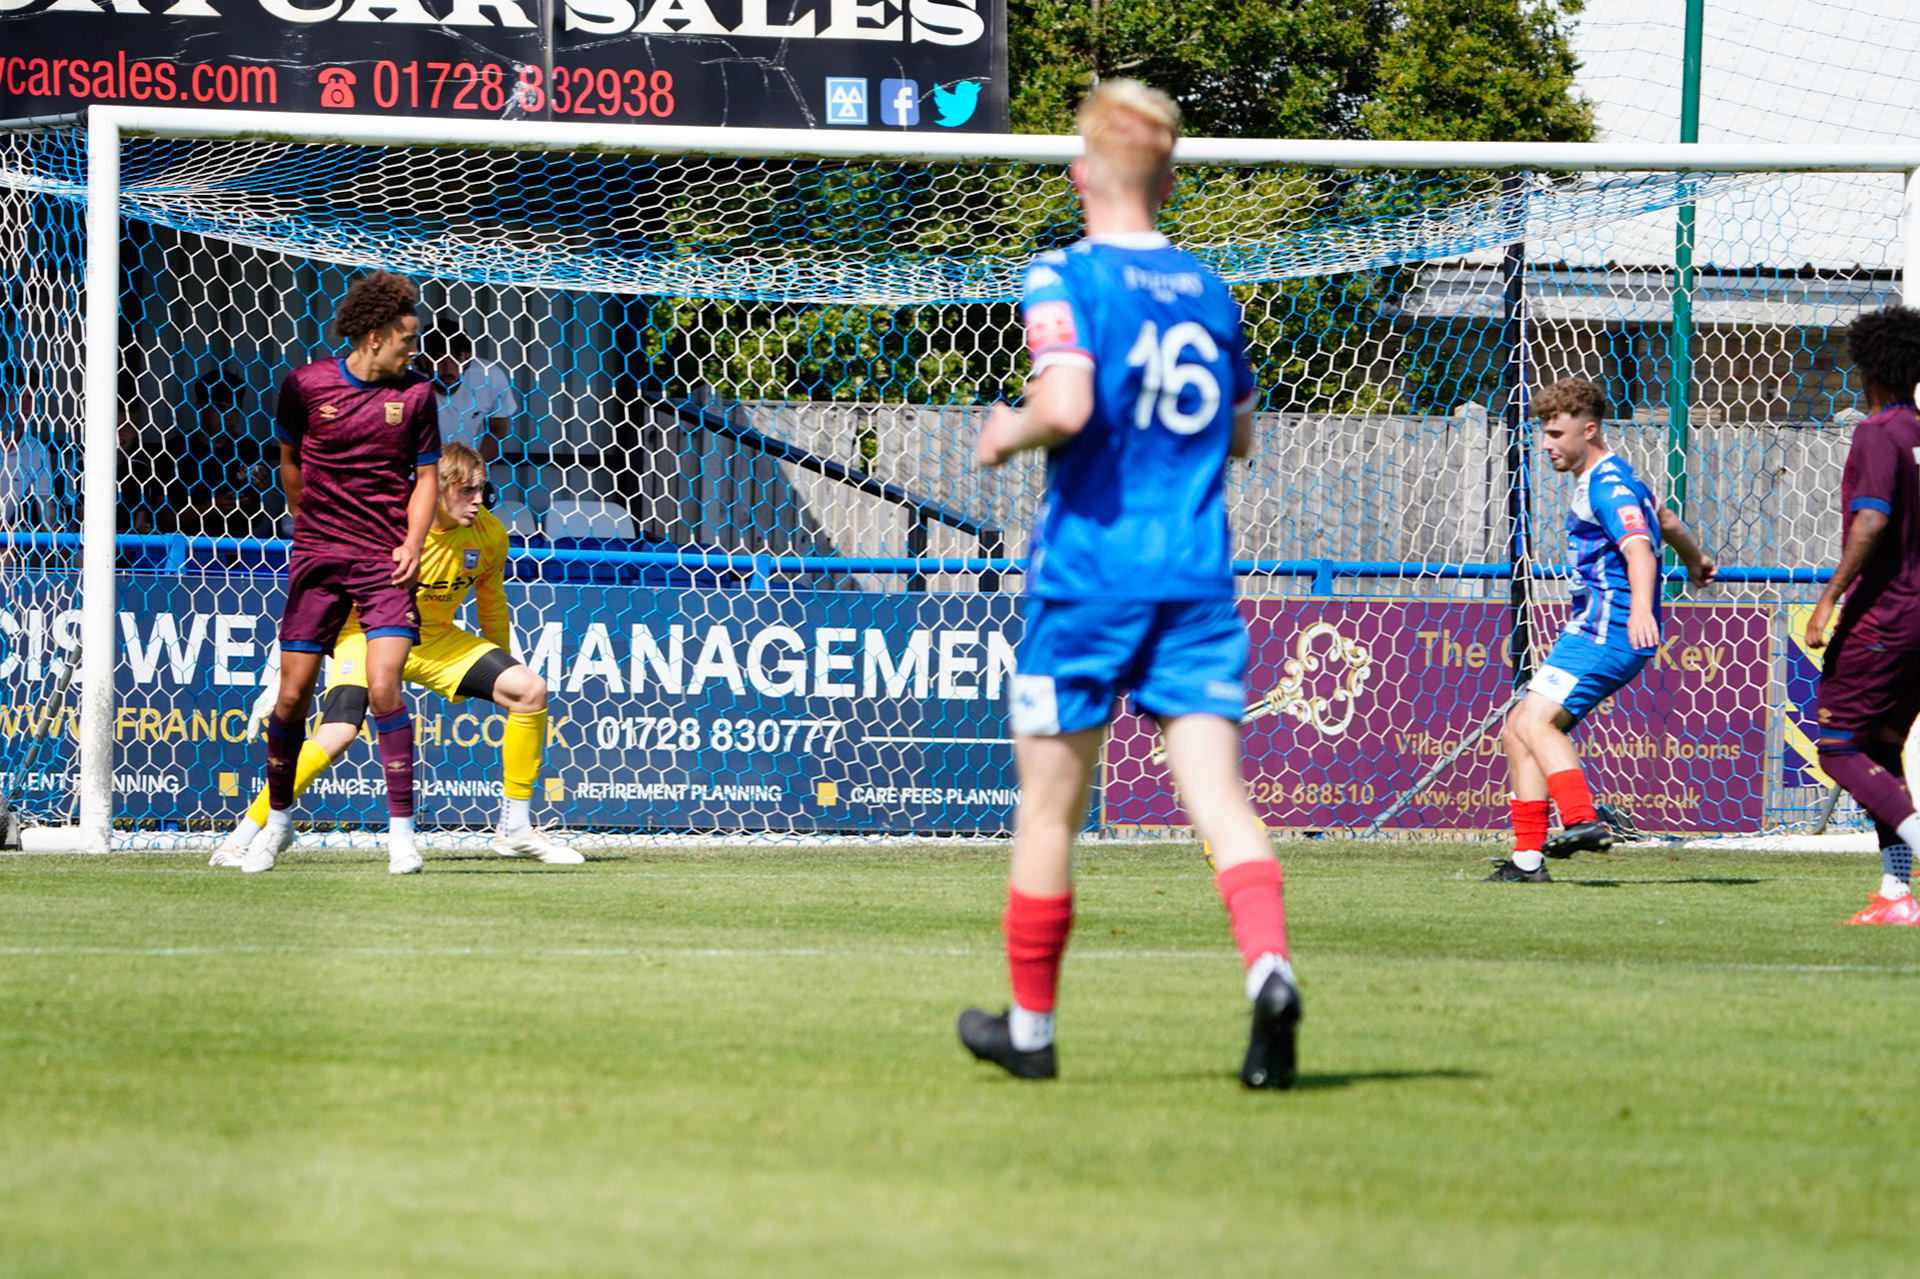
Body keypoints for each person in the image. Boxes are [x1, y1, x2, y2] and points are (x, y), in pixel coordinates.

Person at [956, 80, 1300, 1089]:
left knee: (1049, 813)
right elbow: (1241, 432)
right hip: (1193, 576)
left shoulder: (1062, 274)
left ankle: (1032, 1030)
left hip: (1090, 577)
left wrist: (1006, 429)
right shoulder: (1211, 289)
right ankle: (1270, 970)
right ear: (1170, 179)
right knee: (1220, 798)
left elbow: (1066, 403)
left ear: (1079, 175)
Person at [212, 443, 581, 868]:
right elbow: (327, 591)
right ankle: (246, 833)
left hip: (435, 640)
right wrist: (286, 670)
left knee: (529, 690)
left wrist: (503, 669)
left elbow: (492, 605)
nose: (479, 500)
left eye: (483, 489)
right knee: (337, 733)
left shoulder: (490, 534)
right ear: (437, 489)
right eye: (467, 490)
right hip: (365, 634)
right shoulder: (387, 528)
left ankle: (515, 829)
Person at [241, 270, 440, 876]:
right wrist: (309, 525)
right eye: (407, 338)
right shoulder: (305, 384)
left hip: (384, 560)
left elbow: (426, 478)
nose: (414, 348)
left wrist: (412, 542)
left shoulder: (418, 395)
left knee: (384, 686)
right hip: (319, 557)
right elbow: (290, 461)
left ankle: (402, 836)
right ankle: (278, 821)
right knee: (291, 695)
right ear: (375, 336)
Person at [1485, 378, 1716, 883]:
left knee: (1535, 724)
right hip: (1592, 629)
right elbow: (1666, 519)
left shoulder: (1608, 488)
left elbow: (1639, 551)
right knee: (1518, 729)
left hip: (1606, 631)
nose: (1546, 445)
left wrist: (1641, 611)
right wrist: (1695, 559)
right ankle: (1527, 862)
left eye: (1555, 434)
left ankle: (1582, 820)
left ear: (1588, 430)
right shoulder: (1616, 477)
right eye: (1543, 433)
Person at [1804, 307, 1920, 925]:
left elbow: (1871, 520)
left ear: (1866, 368)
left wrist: (1830, 597)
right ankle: (1897, 894)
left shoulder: (1878, 434)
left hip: (1887, 615)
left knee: (1839, 747)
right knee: (1883, 744)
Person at [424, 327, 515, 464]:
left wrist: (478, 468)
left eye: (456, 357)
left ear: (468, 358)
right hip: (421, 469)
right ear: (423, 360)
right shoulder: (409, 383)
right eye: (438, 358)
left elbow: (498, 429)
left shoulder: (490, 376)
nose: (448, 369)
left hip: (467, 469)